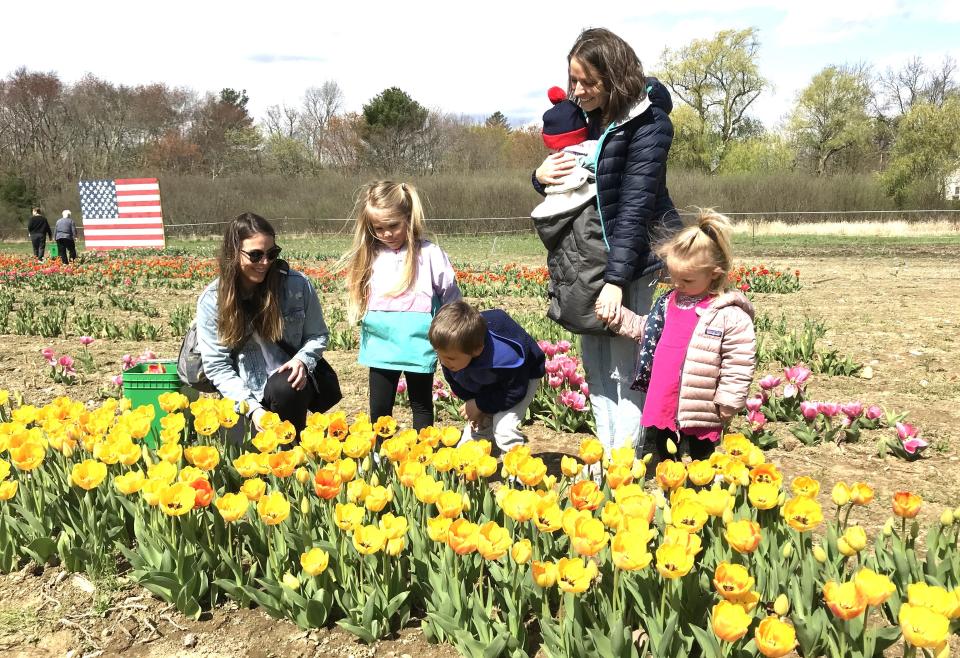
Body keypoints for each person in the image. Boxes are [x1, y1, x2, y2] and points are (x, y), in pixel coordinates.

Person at [533, 27, 681, 454]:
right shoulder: (591, 115)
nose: (577, 91)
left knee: (625, 366)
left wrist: (616, 282)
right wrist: (539, 178)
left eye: (587, 82)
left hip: (631, 258)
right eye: (573, 80)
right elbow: (573, 177)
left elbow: (635, 206)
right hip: (589, 257)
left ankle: (626, 458)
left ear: (614, 76)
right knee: (595, 363)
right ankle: (606, 451)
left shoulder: (649, 122)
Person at [607, 210, 756, 465]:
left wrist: (730, 400)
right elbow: (647, 331)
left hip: (701, 403)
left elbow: (739, 362)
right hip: (665, 396)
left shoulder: (728, 314)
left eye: (686, 279)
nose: (677, 284)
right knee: (666, 457)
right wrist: (618, 318)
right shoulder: (669, 303)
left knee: (702, 459)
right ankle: (672, 495)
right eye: (673, 277)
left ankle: (699, 496)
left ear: (715, 274)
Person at [340, 181, 461, 431]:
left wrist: (452, 330)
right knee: (380, 407)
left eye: (393, 226)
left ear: (409, 217)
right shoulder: (371, 254)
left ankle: (421, 456)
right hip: (381, 342)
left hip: (419, 341)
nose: (386, 234)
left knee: (421, 403)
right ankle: (381, 457)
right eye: (379, 228)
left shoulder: (428, 254)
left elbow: (450, 295)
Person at [196, 212, 330, 434]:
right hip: (241, 389)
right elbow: (217, 366)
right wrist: (252, 408)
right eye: (256, 255)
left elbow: (318, 334)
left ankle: (292, 449)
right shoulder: (213, 299)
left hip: (288, 386)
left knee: (285, 389)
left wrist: (303, 361)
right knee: (246, 459)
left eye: (272, 253)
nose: (265, 262)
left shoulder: (296, 286)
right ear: (233, 253)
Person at [429, 301, 545, 455]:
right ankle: (467, 464)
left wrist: (480, 404)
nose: (443, 362)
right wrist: (476, 405)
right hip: (487, 379)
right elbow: (459, 384)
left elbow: (514, 392)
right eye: (439, 355)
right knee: (479, 424)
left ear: (477, 350)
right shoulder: (452, 353)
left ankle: (518, 470)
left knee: (504, 427)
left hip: (522, 377)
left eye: (449, 358)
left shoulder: (507, 357)